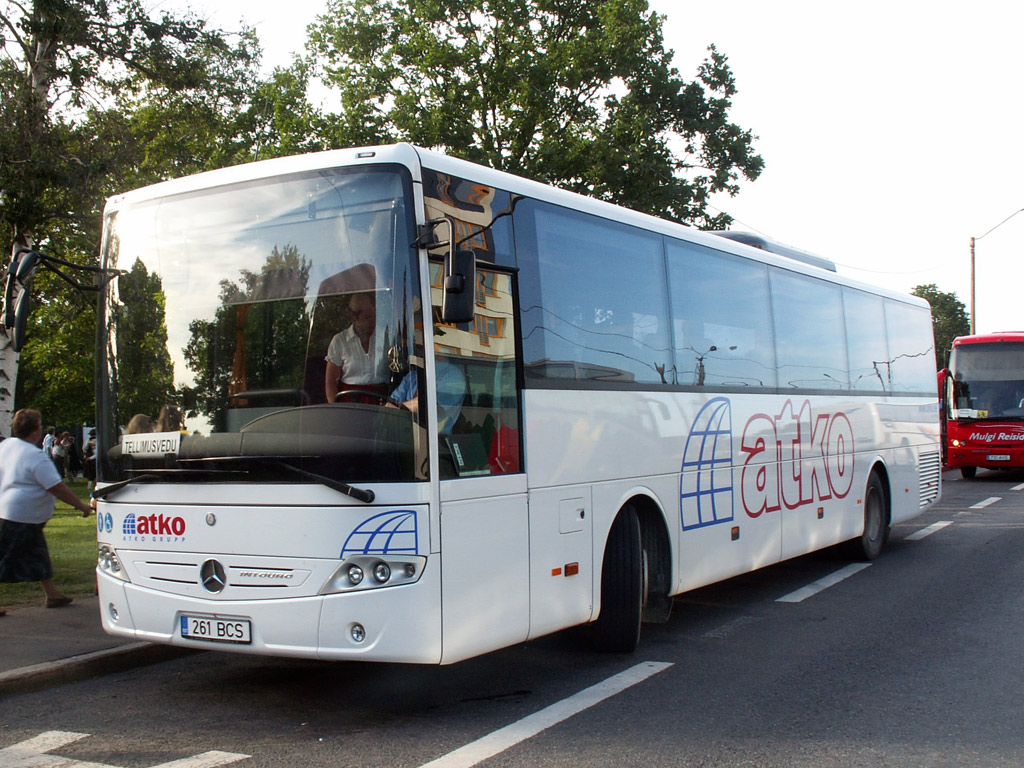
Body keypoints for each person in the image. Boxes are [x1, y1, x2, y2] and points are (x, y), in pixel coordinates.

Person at [0, 408, 93, 609]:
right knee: (6, 558)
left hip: (14, 512)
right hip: (21, 515)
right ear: (35, 430)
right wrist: (82, 506)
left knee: (38, 556)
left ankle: (52, 595)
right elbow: (56, 487)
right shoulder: (35, 456)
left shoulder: (7, 445)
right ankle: (52, 595)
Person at [324, 292, 389, 403]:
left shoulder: (386, 336)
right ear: (354, 316)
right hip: (351, 400)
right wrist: (334, 409)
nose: (372, 321)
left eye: (374, 316)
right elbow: (331, 382)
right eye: (368, 317)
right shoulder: (340, 341)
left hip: (383, 398)